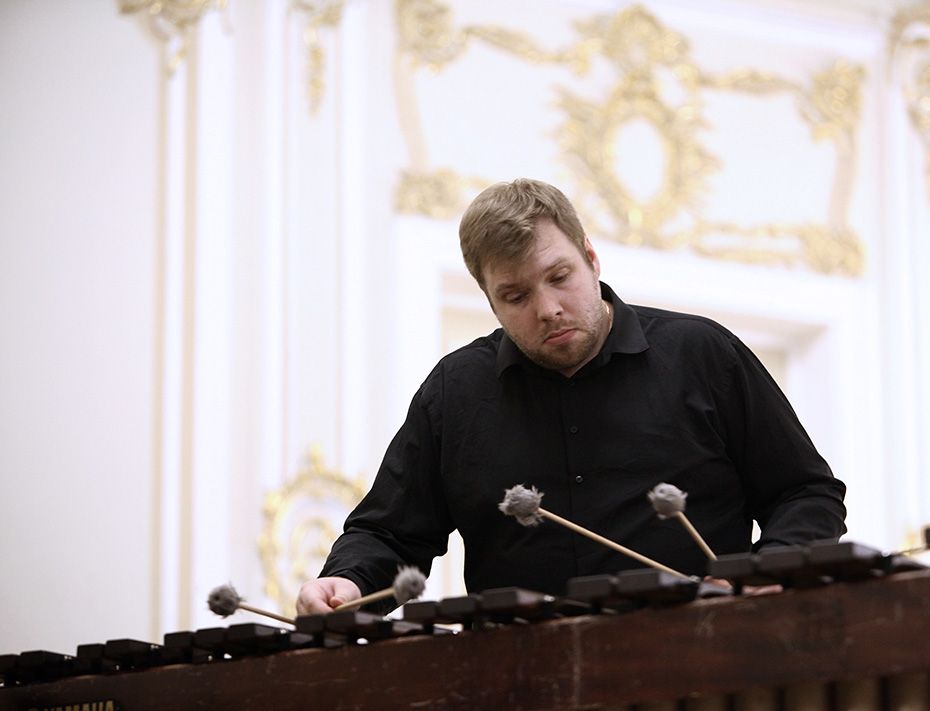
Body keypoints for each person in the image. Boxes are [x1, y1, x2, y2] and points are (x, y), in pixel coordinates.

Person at [296, 178, 846, 614]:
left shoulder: (701, 355)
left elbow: (804, 492)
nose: (548, 309)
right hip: (524, 679)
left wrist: (768, 569)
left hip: (702, 658)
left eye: (559, 276)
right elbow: (390, 533)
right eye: (516, 296)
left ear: (591, 258)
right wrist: (348, 580)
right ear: (490, 301)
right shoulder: (455, 393)